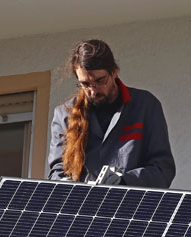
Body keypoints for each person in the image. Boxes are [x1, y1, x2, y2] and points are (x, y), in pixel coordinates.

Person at [48, 39, 176, 188]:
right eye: (85, 84)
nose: (93, 91)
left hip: (133, 207)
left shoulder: (145, 106)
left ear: (114, 72)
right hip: (81, 208)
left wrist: (125, 181)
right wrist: (67, 187)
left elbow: (163, 169)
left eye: (100, 80)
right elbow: (57, 172)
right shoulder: (64, 115)